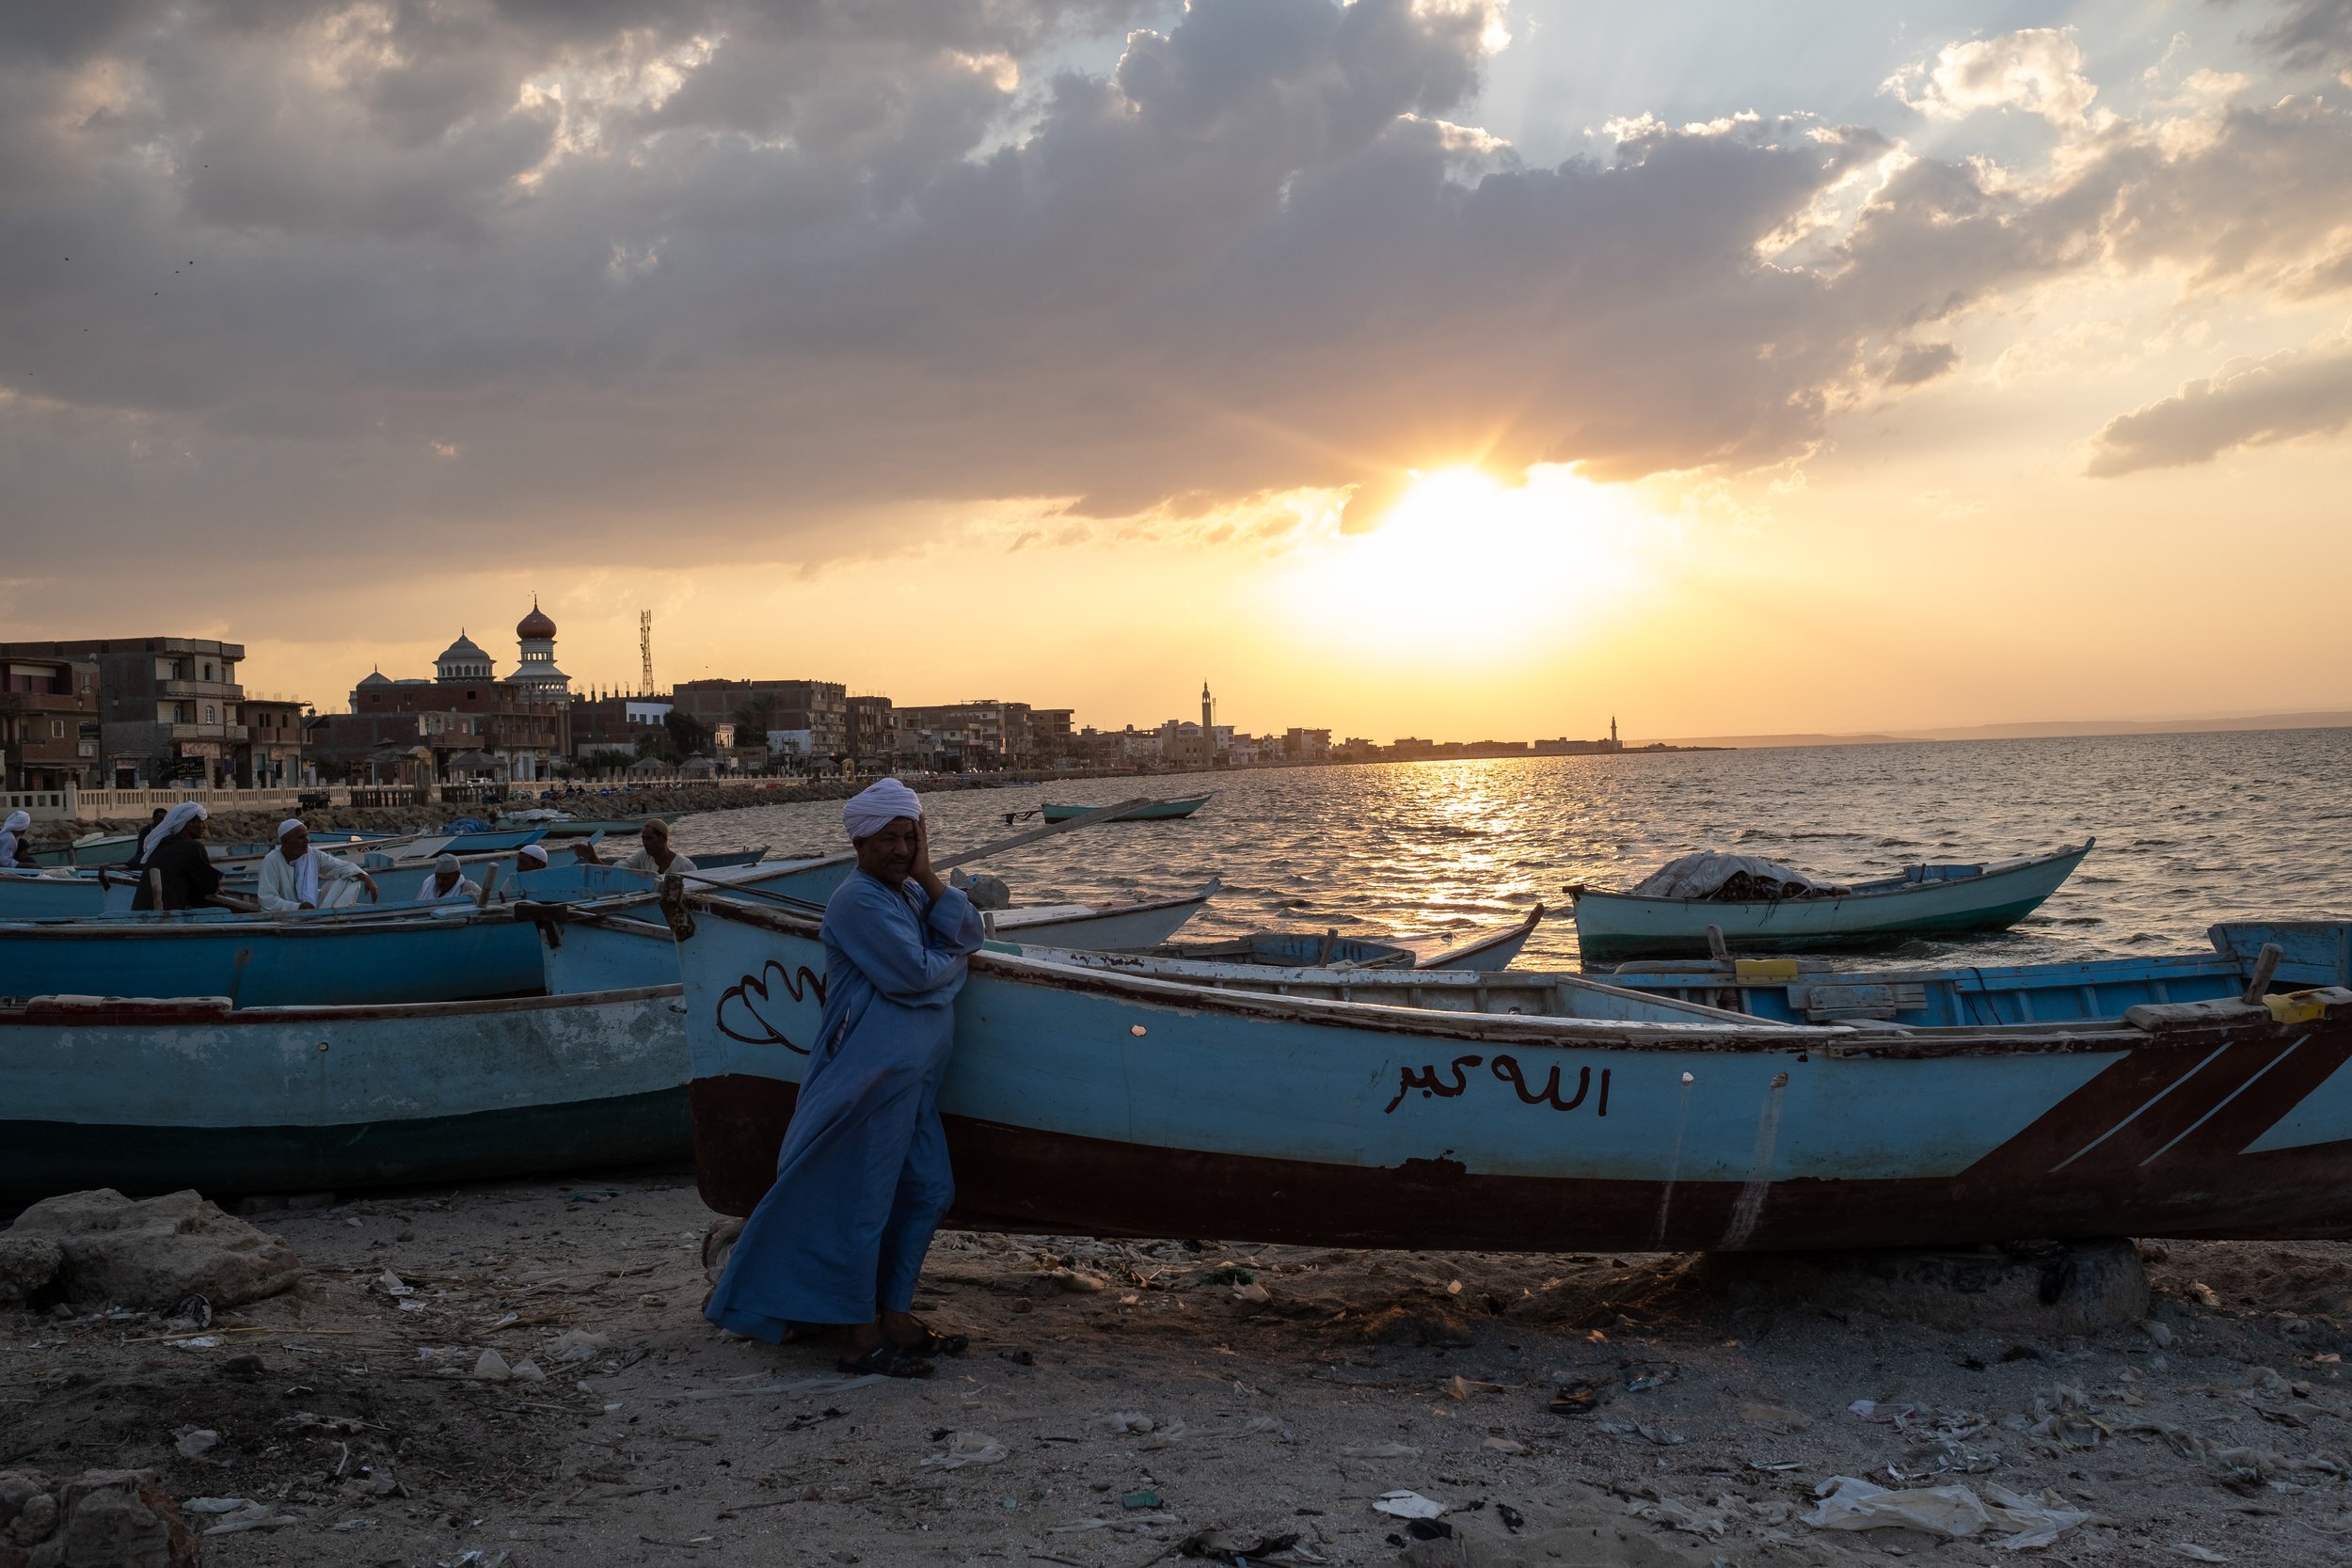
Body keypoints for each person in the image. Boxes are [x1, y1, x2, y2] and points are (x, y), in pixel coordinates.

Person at [703, 777, 983, 1377]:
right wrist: (951, 966)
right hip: (870, 1082)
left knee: (929, 1191)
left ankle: (894, 1314)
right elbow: (913, 975)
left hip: (914, 1083)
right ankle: (860, 1336)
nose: (902, 849)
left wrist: (931, 877)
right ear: (859, 842)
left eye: (912, 836)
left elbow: (970, 934)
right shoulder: (856, 900)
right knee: (862, 1205)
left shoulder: (908, 894)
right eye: (890, 839)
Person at [257, 818, 378, 912]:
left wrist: (367, 879)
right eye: (301, 838)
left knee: (351, 878)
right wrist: (297, 907)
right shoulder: (271, 860)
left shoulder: (312, 854)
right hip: (285, 915)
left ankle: (330, 916)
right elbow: (267, 899)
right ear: (285, 842)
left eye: (306, 836)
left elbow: (340, 866)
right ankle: (319, 916)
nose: (307, 841)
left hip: (312, 908)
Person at [131, 802, 222, 911]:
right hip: (164, 917)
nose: (205, 826)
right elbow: (210, 886)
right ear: (189, 824)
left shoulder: (162, 844)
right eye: (201, 822)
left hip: (140, 915)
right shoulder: (192, 847)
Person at [623, 818, 696, 877]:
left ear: (663, 838)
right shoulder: (643, 855)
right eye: (643, 838)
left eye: (649, 838)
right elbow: (623, 865)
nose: (644, 843)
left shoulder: (684, 866)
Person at [415, 852, 481, 903]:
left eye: (445, 878)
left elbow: (483, 897)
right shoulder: (428, 883)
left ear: (457, 875)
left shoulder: (467, 887)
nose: (439, 882)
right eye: (437, 877)